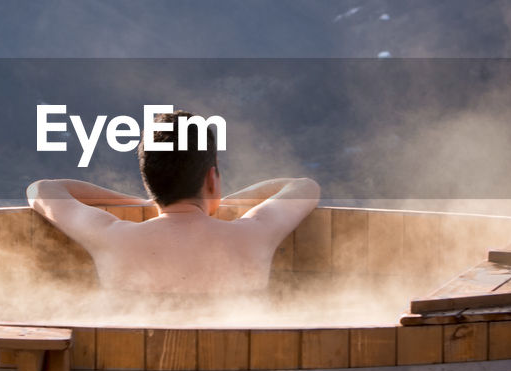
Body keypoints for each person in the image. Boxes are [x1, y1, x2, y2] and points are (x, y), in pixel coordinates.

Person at [26, 109, 319, 297]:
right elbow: (304, 186)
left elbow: (42, 189)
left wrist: (140, 201)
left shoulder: (113, 238)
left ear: (148, 181)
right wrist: (220, 200)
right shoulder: (253, 234)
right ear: (211, 178)